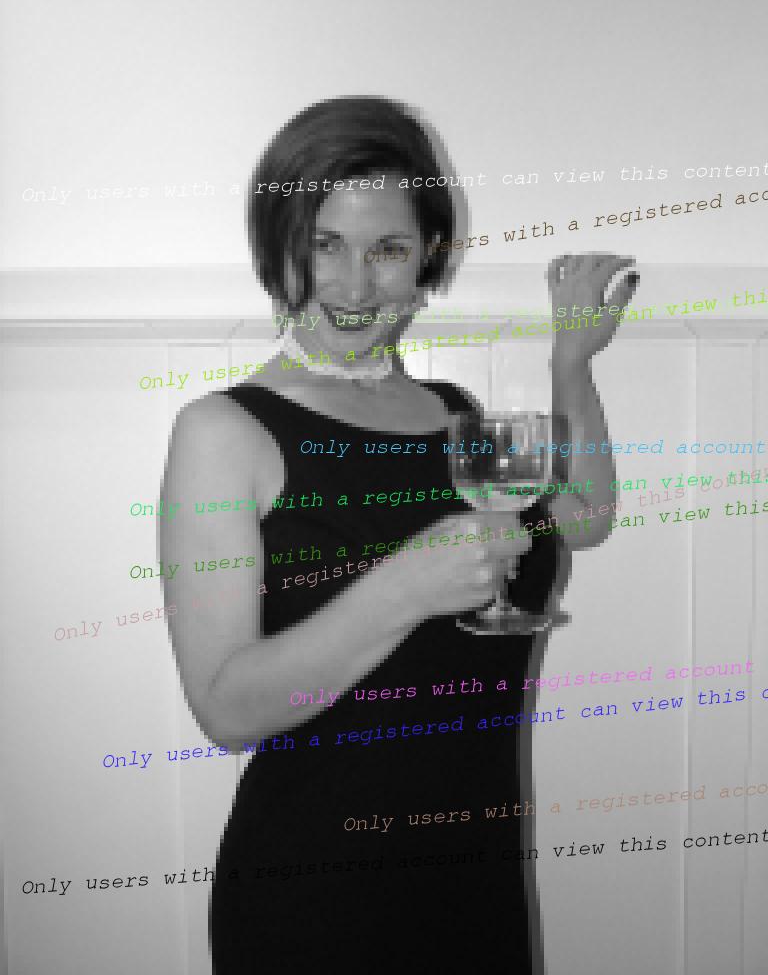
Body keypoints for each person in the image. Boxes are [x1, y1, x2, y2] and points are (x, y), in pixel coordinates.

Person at [159, 96, 637, 974]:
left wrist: (571, 359)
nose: (354, 287)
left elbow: (583, 516)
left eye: (387, 249)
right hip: (317, 904)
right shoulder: (224, 432)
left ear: (429, 254)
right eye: (324, 244)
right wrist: (404, 588)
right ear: (278, 247)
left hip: (475, 885)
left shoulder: (452, 415)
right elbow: (225, 712)